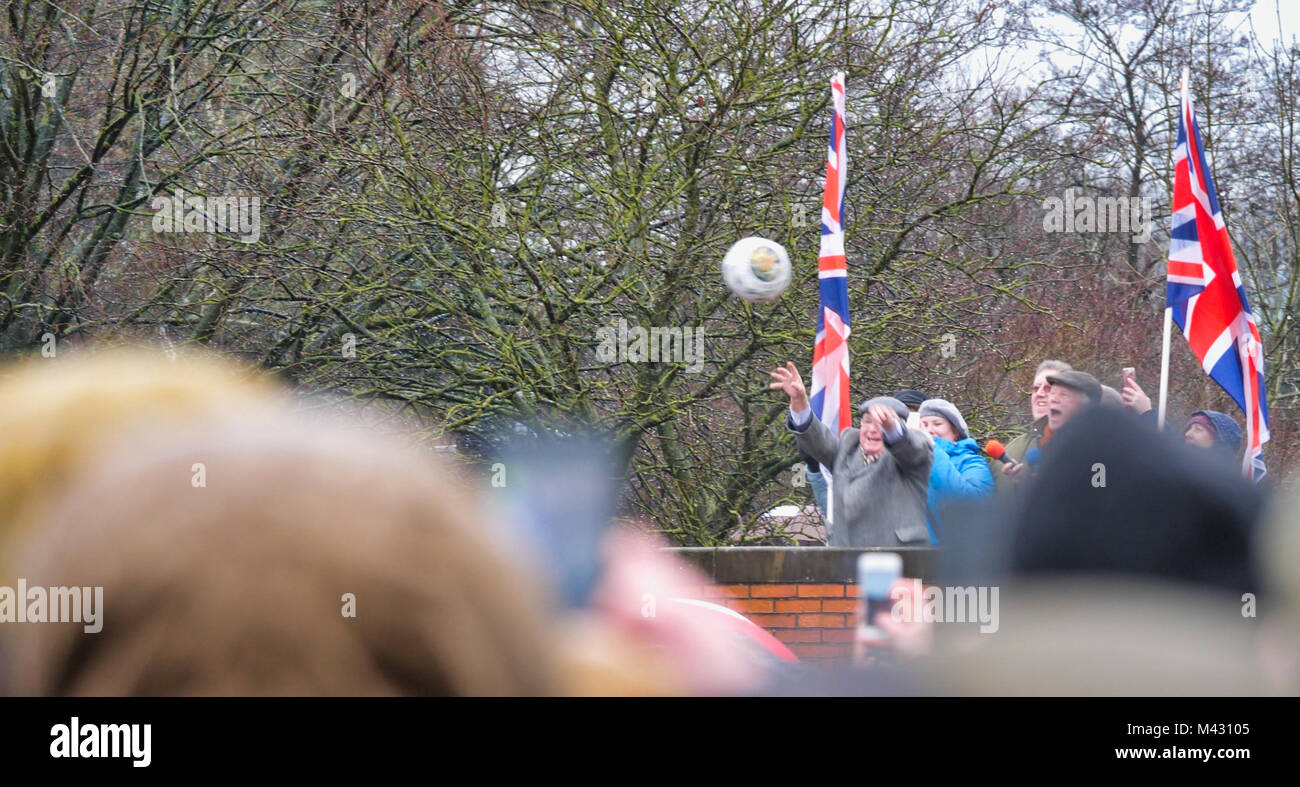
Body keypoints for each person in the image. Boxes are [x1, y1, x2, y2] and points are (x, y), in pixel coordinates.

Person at [769, 362, 933, 547]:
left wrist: (891, 426)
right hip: (846, 561)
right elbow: (816, 440)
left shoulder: (911, 454)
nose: (872, 430)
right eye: (867, 422)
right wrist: (800, 403)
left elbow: (911, 447)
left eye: (880, 425)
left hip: (896, 562)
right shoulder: (848, 447)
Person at [916, 398, 994, 543]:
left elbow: (974, 502)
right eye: (923, 425)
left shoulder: (971, 462)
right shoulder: (911, 460)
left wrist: (933, 449)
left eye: (937, 424)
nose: (929, 430)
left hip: (950, 555)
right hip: (911, 553)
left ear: (955, 431)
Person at [1121, 373, 1244, 460]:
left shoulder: (1213, 479)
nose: (1188, 434)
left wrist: (1147, 412)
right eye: (1189, 428)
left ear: (1218, 439)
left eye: (1198, 429)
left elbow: (1170, 449)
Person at [993, 360, 1071, 490]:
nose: (1039, 394)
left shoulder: (1086, 449)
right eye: (1036, 388)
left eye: (1048, 388)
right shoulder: (1011, 449)